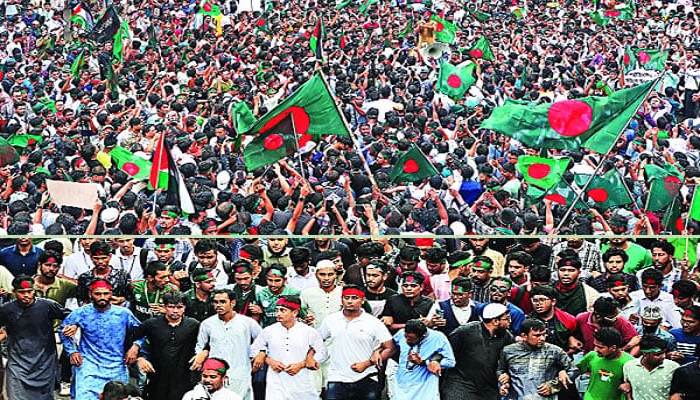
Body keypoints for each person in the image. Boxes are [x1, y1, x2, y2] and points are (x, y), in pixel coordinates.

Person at [59, 278, 141, 400]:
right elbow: (63, 330)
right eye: (97, 294)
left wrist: (135, 347)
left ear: (111, 293)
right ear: (90, 294)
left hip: (116, 364)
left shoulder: (123, 313)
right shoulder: (81, 312)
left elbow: (142, 331)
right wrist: (72, 351)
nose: (102, 297)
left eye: (105, 293)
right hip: (88, 364)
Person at [319, 285, 395, 400]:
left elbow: (390, 348)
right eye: (346, 298)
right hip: (337, 378)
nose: (350, 301)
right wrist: (311, 357)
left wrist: (366, 364)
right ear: (341, 299)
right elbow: (318, 341)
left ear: (363, 300)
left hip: (366, 377)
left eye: (354, 298)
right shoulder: (330, 320)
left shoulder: (373, 322)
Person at [0, 275, 70, 400]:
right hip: (18, 362)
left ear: (34, 290)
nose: (26, 295)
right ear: (14, 292)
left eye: (29, 291)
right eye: (21, 292)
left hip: (44, 363)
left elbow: (71, 316)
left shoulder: (47, 306)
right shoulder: (6, 309)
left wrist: (72, 326)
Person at [251, 295, 328, 400]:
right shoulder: (269, 331)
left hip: (302, 381)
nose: (278, 314)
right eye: (277, 310)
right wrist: (269, 360)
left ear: (295, 312)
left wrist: (302, 364)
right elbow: (254, 349)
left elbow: (322, 353)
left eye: (282, 310)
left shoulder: (308, 331)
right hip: (276, 382)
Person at [193, 288, 261, 400]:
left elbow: (262, 341)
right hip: (216, 374)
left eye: (223, 302)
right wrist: (203, 359)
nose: (218, 305)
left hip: (240, 372)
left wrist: (259, 354)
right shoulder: (207, 324)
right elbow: (200, 346)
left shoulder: (247, 323)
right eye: (215, 302)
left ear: (232, 303)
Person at [441, 303, 515, 400]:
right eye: (507, 319)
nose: (510, 322)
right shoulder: (466, 331)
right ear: (495, 321)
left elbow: (508, 362)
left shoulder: (507, 337)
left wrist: (505, 374)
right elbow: (445, 350)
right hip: (460, 387)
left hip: (488, 390)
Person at [136, 291, 200, 400]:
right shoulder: (151, 324)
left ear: (184, 307)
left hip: (184, 378)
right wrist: (140, 358)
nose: (175, 311)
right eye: (171, 307)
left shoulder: (193, 325)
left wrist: (203, 353)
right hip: (157, 379)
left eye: (179, 307)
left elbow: (206, 343)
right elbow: (131, 339)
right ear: (164, 307)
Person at [497, 319, 575, 400]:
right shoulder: (508, 351)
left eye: (544, 334)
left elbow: (574, 370)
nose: (542, 338)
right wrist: (504, 378)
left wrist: (555, 385)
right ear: (524, 336)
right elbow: (500, 370)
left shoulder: (555, 351)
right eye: (537, 336)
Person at [392, 319, 455, 400]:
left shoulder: (438, 338)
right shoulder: (400, 333)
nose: (406, 340)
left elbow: (450, 362)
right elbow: (389, 346)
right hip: (401, 385)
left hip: (425, 387)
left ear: (423, 336)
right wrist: (378, 351)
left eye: (411, 338)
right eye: (405, 336)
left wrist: (429, 362)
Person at [573, 328, 635, 400]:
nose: (596, 349)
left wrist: (630, 385)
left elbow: (639, 383)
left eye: (600, 347)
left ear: (613, 348)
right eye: (595, 345)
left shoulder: (630, 363)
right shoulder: (592, 356)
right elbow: (575, 371)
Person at [621, 335, 679, 400]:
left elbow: (679, 392)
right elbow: (628, 389)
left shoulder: (673, 367)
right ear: (645, 354)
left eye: (664, 353)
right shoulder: (629, 366)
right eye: (657, 354)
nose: (663, 356)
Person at [528, 284, 578, 353]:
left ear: (553, 301)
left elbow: (576, 341)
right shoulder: (528, 320)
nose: (538, 303)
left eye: (542, 300)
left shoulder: (568, 319)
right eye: (535, 300)